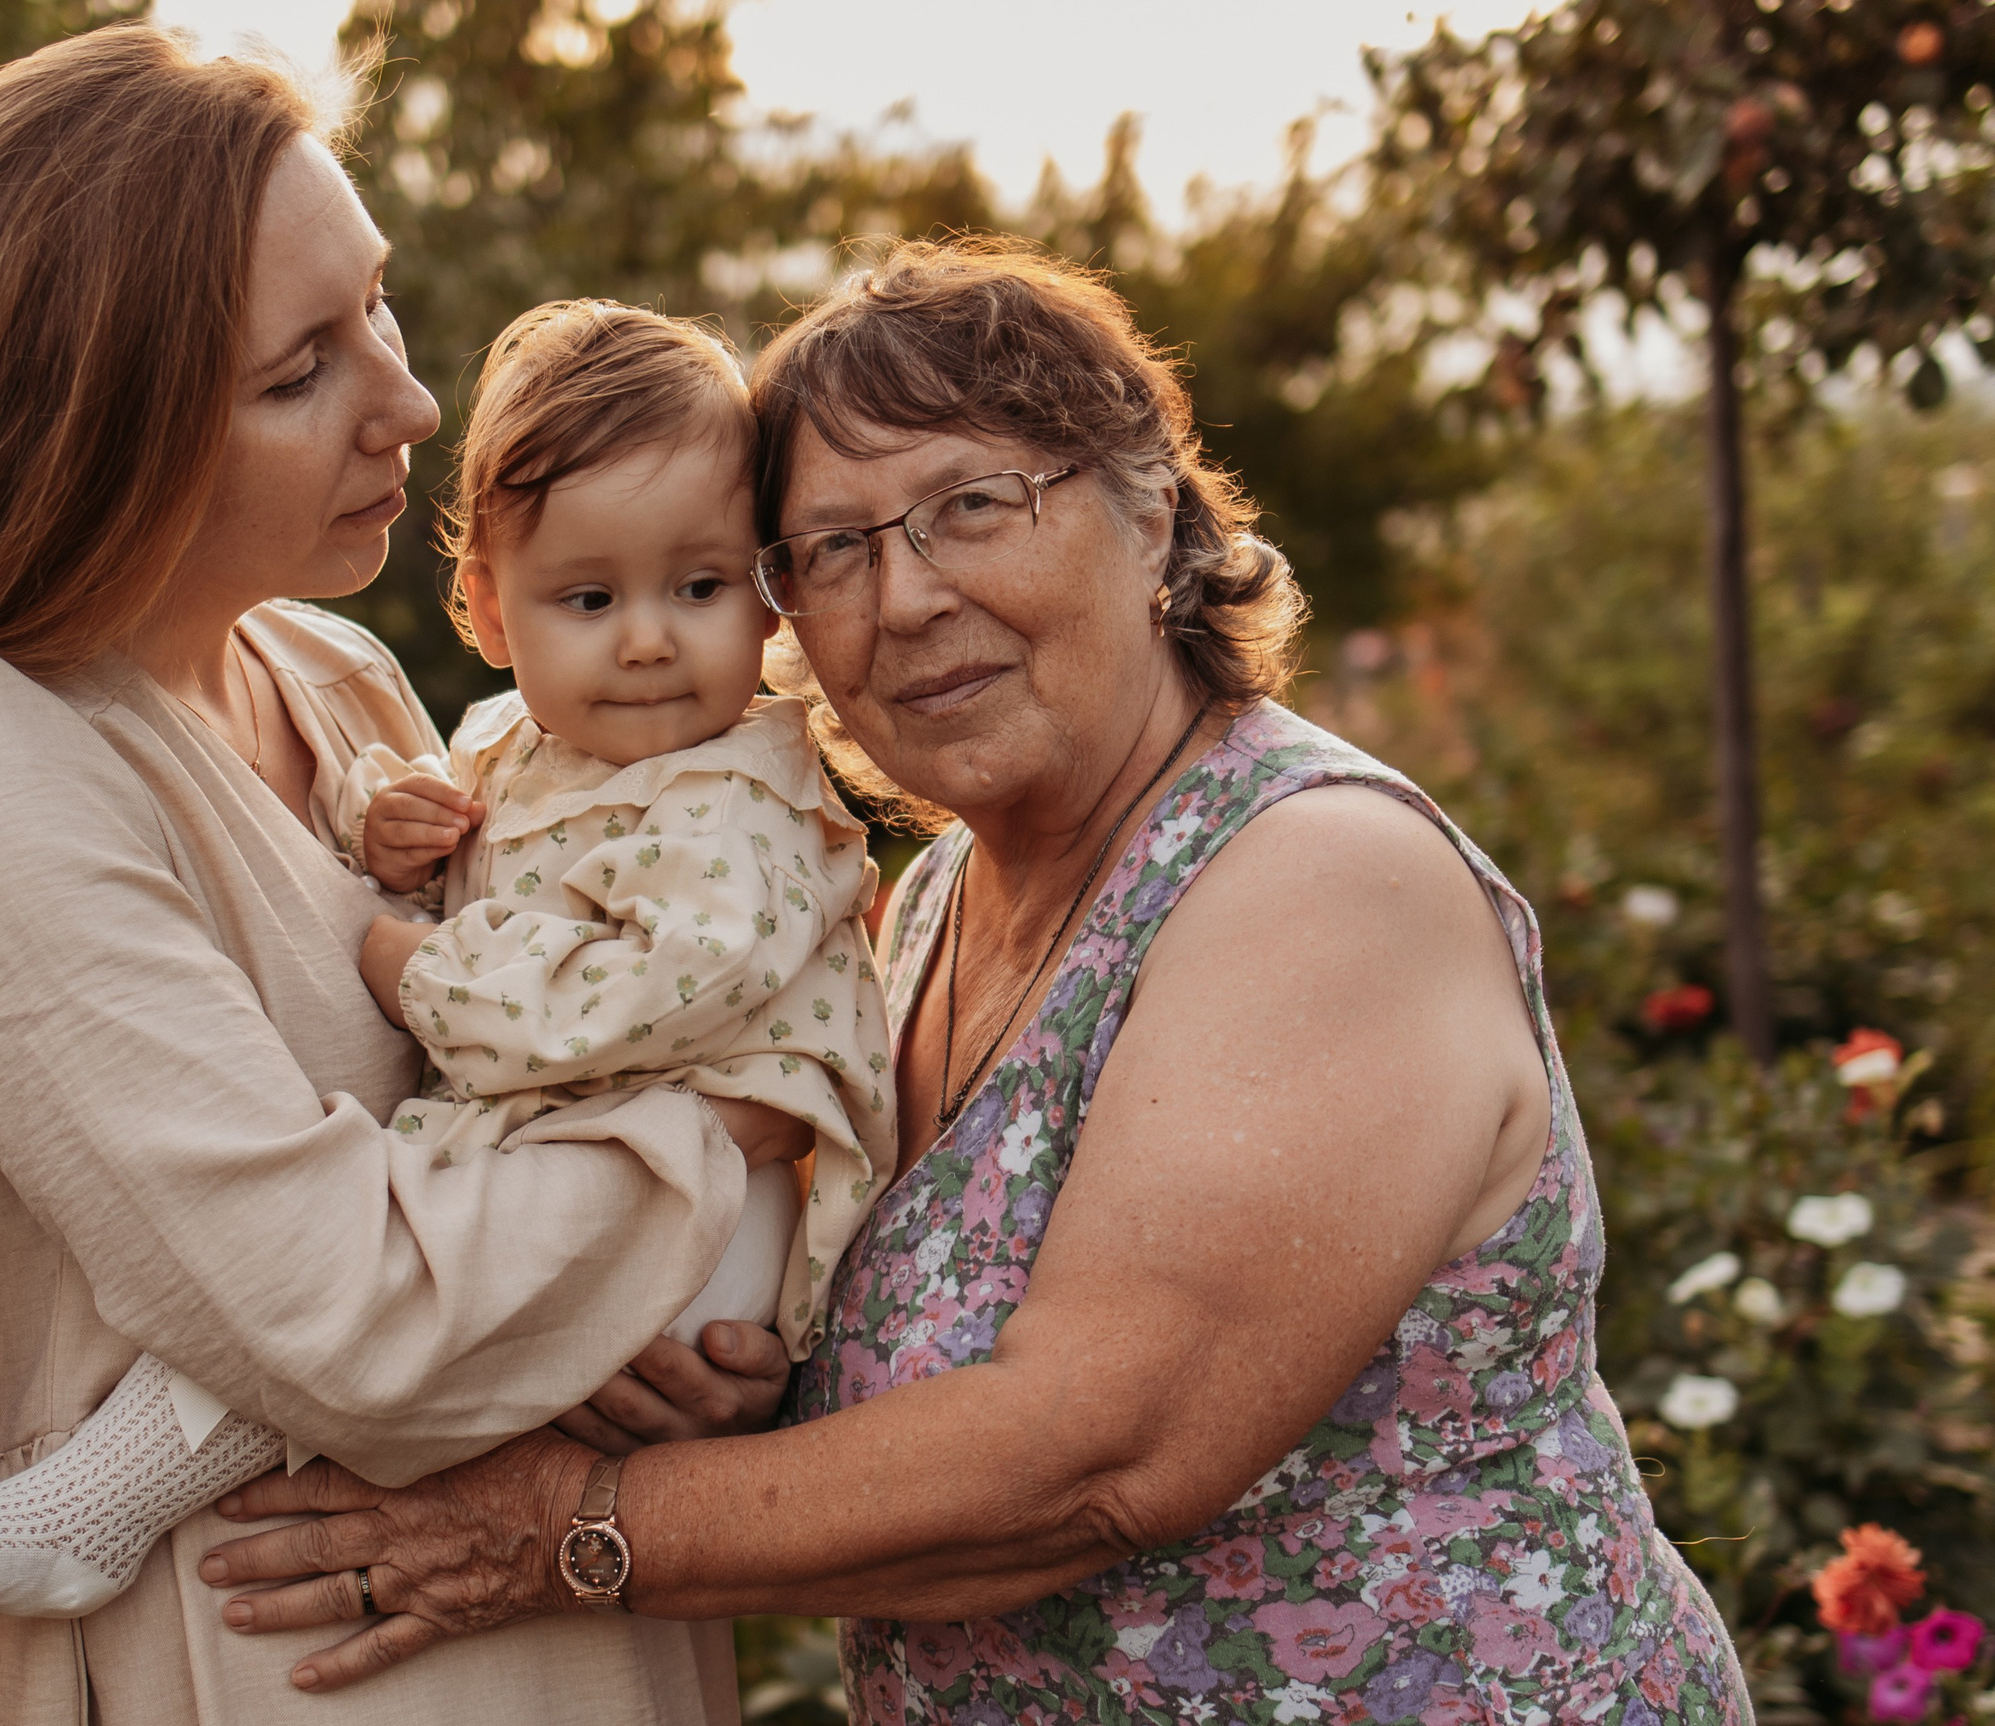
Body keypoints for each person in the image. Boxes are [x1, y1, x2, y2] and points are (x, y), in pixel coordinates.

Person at [191, 240, 1754, 1726]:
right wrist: (726, 1377)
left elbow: (1100, 1452)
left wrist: (564, 1527)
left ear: (1153, 515)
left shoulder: (1317, 878)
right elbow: (914, 1386)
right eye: (838, 550)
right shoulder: (933, 905)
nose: (909, 597)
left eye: (972, 506)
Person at [0, 28, 801, 1726]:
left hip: (556, 1619)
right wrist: (731, 1142)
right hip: (263, 1657)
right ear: (85, 434)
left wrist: (670, 1333)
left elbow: (515, 1100)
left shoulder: (328, 668)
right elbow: (338, 1310)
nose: (411, 405)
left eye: (381, 308)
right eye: (299, 376)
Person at [0, 299, 894, 1625]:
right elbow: (465, 848)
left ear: (765, 590)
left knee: (414, 1225)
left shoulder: (739, 791)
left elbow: (626, 989)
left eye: (700, 589)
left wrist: (409, 966)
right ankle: (96, 1501)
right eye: (301, 367)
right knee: (394, 1243)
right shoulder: (522, 740)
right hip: (585, 1184)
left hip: (692, 1232)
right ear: (490, 611)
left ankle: (98, 1502)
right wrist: (388, 827)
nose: (647, 640)